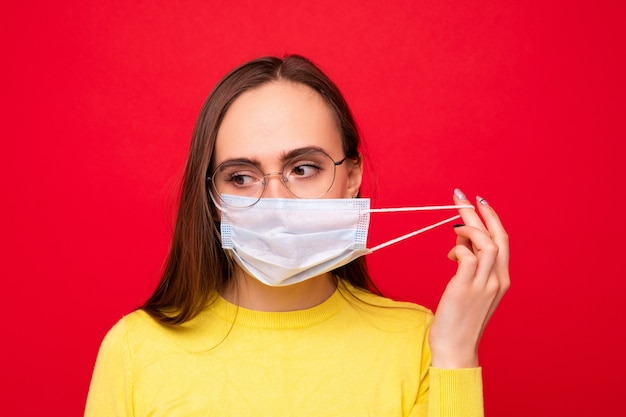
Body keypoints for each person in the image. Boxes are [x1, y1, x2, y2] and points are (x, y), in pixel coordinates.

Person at [85, 55, 509, 416]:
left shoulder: (420, 340)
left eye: (303, 169)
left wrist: (455, 354)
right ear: (212, 195)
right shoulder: (135, 350)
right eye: (241, 176)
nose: (276, 200)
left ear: (351, 177)